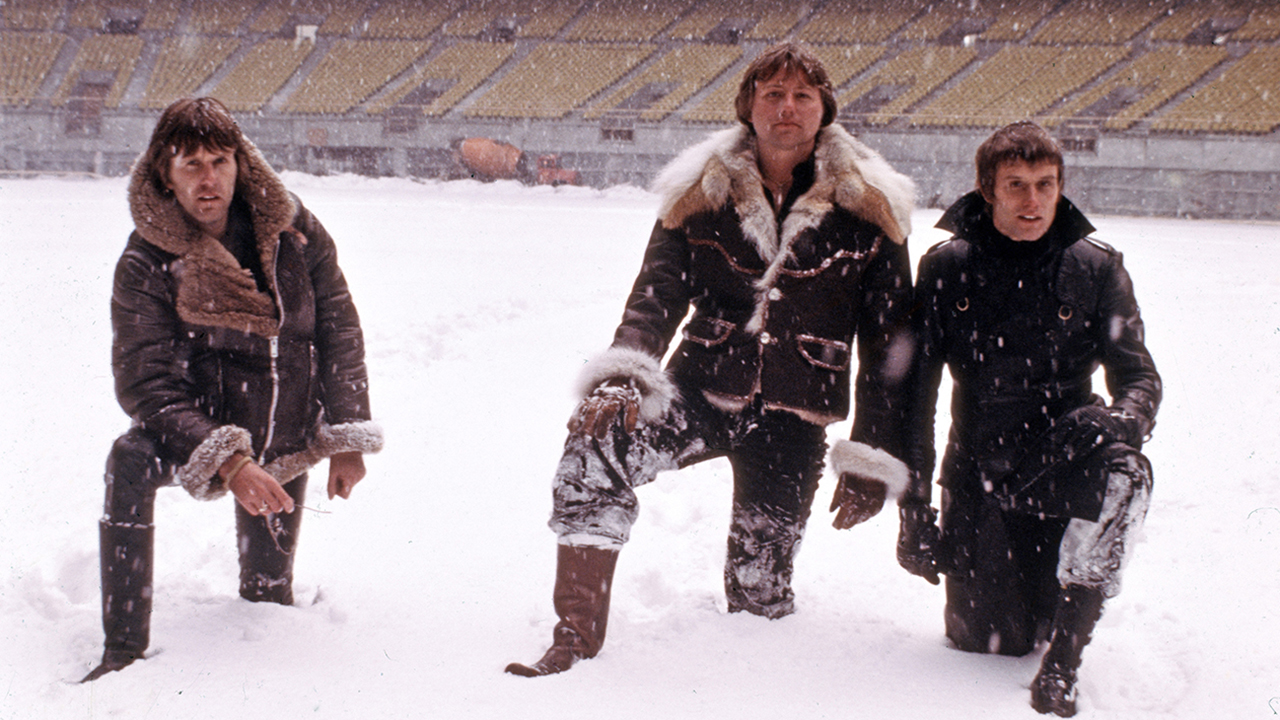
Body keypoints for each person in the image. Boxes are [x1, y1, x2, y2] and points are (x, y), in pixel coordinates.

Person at [505, 43, 917, 678]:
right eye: (772, 94)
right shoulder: (699, 192)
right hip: (698, 394)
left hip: (795, 417)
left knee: (759, 598)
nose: (787, 108)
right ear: (748, 105)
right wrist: (621, 380)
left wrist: (871, 453)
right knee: (594, 448)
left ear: (823, 109)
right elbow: (654, 297)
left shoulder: (870, 208)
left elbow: (888, 348)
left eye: (802, 96)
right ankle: (575, 634)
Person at [83, 97, 383, 682]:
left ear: (240, 163)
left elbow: (338, 325)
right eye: (190, 164)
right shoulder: (146, 260)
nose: (208, 177)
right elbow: (146, 381)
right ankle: (122, 649)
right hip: (203, 426)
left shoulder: (294, 231)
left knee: (267, 604)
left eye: (219, 160)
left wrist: (346, 435)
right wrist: (228, 458)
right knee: (128, 460)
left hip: (284, 426)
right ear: (163, 175)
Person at [897, 121, 1160, 717]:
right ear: (987, 189)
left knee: (1128, 473)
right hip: (979, 474)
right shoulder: (946, 268)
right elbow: (916, 397)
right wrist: (914, 510)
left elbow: (1140, 377)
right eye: (1016, 185)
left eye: (1046, 184)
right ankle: (1038, 624)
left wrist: (1120, 421)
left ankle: (1065, 660)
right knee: (991, 644)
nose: (1033, 201)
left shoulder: (1096, 268)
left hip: (1066, 461)